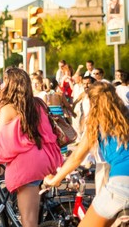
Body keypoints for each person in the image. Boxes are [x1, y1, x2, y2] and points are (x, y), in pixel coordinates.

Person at [0, 67, 63, 227]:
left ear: (10, 84)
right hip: (42, 160)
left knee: (28, 221)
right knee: (32, 217)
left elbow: (1, 145)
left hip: (26, 166)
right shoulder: (37, 104)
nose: (1, 85)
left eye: (4, 81)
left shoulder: (9, 109)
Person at [44, 82, 129, 227]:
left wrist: (55, 180)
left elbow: (77, 157)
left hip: (121, 184)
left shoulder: (96, 122)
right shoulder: (126, 116)